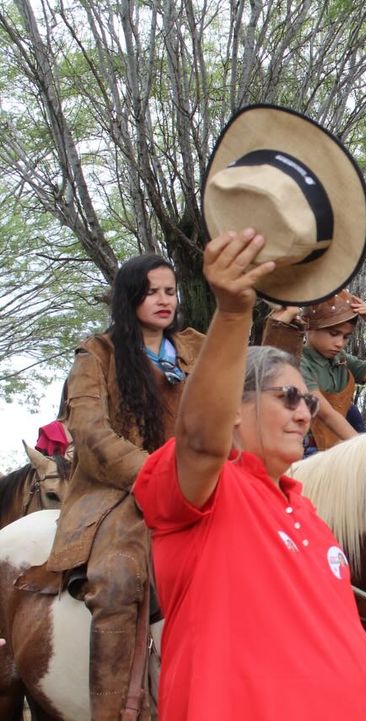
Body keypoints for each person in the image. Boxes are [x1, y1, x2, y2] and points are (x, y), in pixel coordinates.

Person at [133, 229, 366, 719]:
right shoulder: (210, 490)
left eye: (307, 400)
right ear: (235, 412)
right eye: (286, 397)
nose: (305, 414)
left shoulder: (309, 512)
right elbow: (201, 439)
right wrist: (233, 312)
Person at [16, 254, 205, 720]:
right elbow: (92, 434)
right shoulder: (95, 354)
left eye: (170, 290)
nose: (164, 300)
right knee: (118, 581)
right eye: (151, 291)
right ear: (128, 297)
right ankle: (112, 712)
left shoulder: (196, 347)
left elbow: (239, 389)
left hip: (197, 482)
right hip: (118, 489)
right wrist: (156, 475)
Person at [263, 290, 366, 452]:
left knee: (353, 412)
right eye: (334, 334)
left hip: (335, 445)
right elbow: (327, 414)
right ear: (310, 329)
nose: (339, 343)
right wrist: (365, 451)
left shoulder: (342, 360)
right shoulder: (299, 362)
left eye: (345, 337)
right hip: (302, 447)